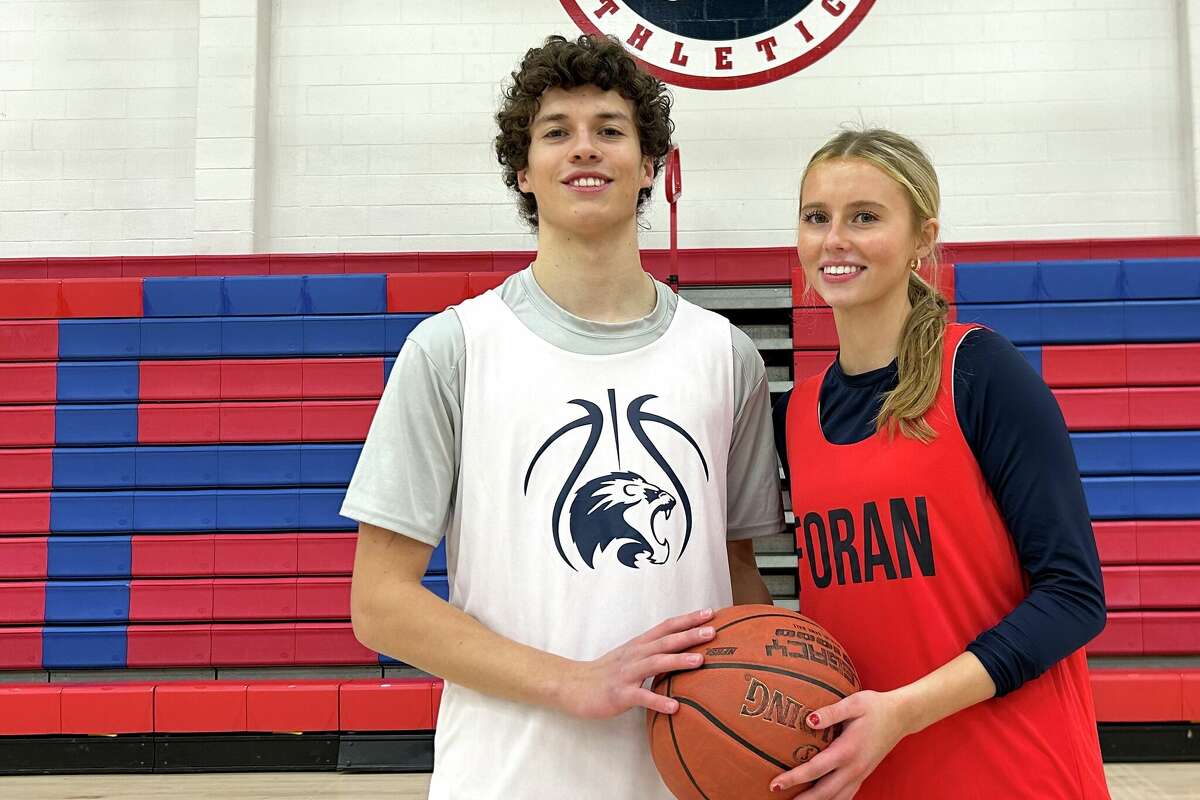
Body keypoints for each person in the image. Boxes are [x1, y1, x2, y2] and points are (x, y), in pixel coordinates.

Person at [342, 34, 784, 799]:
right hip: (510, 778)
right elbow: (379, 604)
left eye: (611, 130)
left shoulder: (726, 357)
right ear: (525, 169)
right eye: (557, 132)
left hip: (686, 781)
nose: (586, 148)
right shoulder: (451, 348)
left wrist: (781, 716)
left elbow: (738, 576)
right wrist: (573, 682)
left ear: (649, 167)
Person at [770, 128, 1110, 799]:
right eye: (817, 218)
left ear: (923, 237)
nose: (834, 238)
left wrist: (902, 712)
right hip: (870, 775)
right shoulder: (797, 414)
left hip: (1012, 770)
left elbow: (1074, 598)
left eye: (864, 217)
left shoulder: (979, 371)